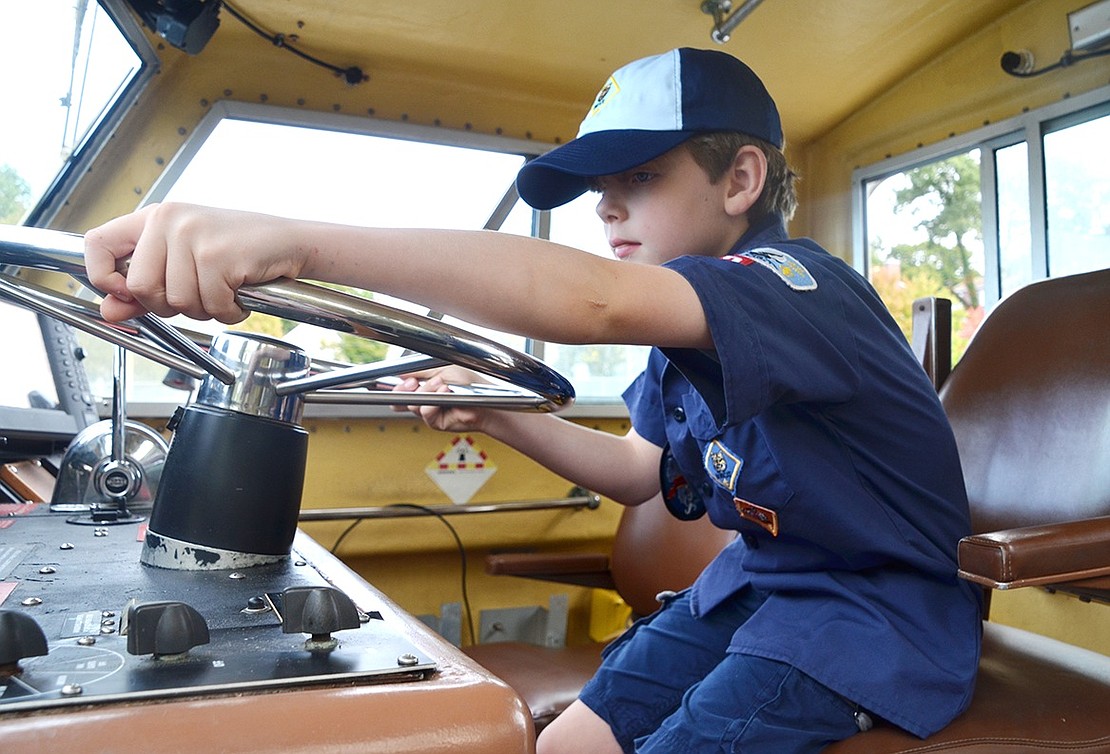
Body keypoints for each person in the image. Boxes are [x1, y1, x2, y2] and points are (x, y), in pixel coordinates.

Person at [85, 48, 982, 753]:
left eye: (641, 180)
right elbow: (639, 473)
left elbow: (587, 300)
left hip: (874, 615)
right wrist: (496, 413)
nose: (607, 212)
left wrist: (300, 245)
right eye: (601, 193)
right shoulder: (687, 343)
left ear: (740, 181)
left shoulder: (796, 288)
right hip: (758, 586)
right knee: (570, 742)